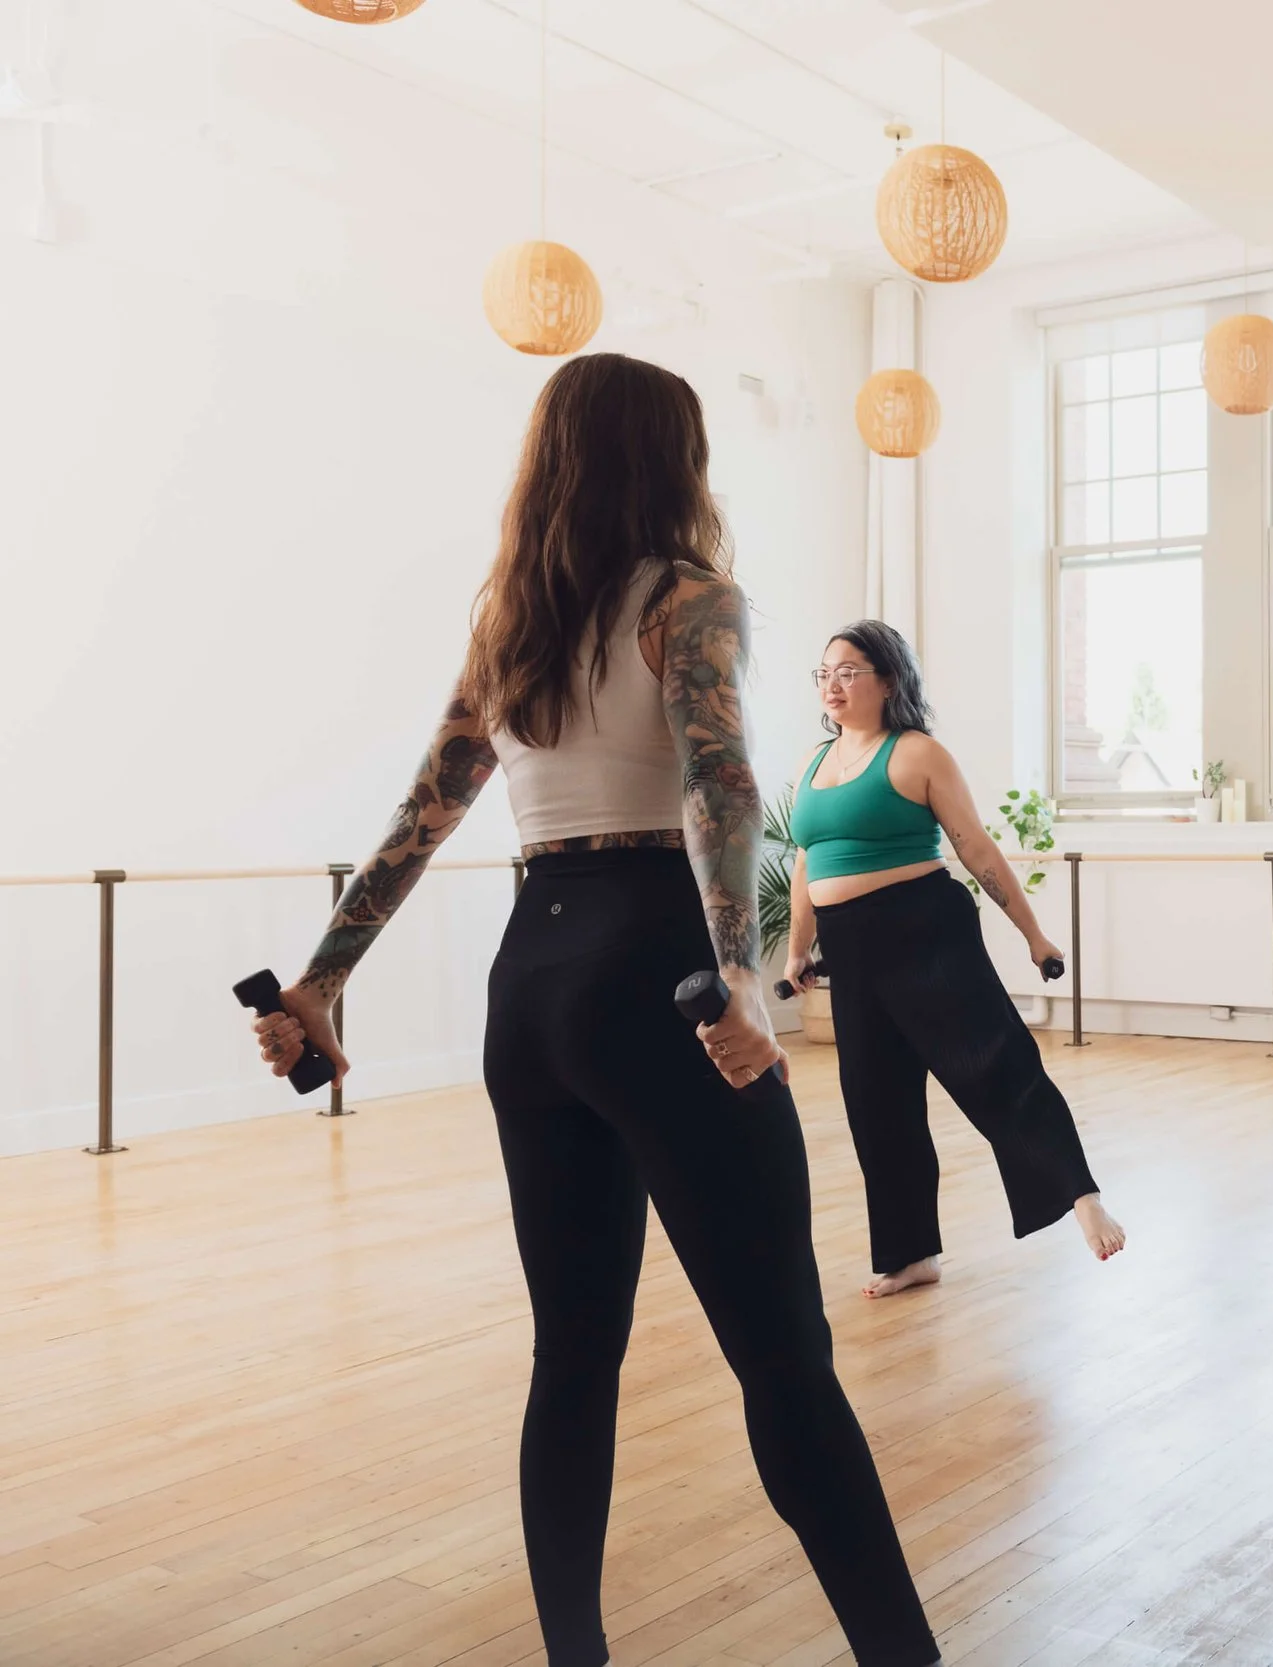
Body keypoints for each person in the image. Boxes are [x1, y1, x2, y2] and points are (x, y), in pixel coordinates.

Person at [243, 354, 938, 1667]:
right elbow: (721, 778)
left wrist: (325, 975)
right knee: (785, 1354)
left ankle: (577, 1653)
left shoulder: (511, 621)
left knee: (575, 1353)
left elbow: (424, 810)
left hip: (535, 980)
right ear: (674, 460)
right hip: (654, 960)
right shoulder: (690, 599)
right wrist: (737, 967)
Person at [782, 621, 1124, 1300]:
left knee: (994, 1064)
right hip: (850, 946)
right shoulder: (813, 764)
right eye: (824, 672)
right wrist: (798, 949)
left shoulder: (916, 753)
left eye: (849, 671)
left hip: (923, 928)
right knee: (875, 1102)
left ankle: (1081, 1196)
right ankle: (910, 1253)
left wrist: (1033, 935)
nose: (833, 684)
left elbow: (976, 848)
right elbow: (805, 861)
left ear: (888, 679)